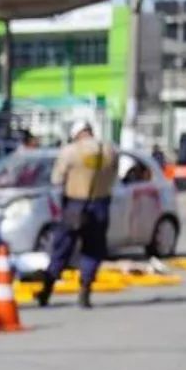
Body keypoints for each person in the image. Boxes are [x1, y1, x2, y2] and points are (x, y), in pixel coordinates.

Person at [35, 119, 119, 310]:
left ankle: (46, 290)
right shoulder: (110, 150)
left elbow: (57, 178)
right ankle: (85, 291)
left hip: (75, 204)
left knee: (62, 248)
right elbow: (114, 176)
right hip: (100, 204)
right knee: (93, 249)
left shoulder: (71, 151)